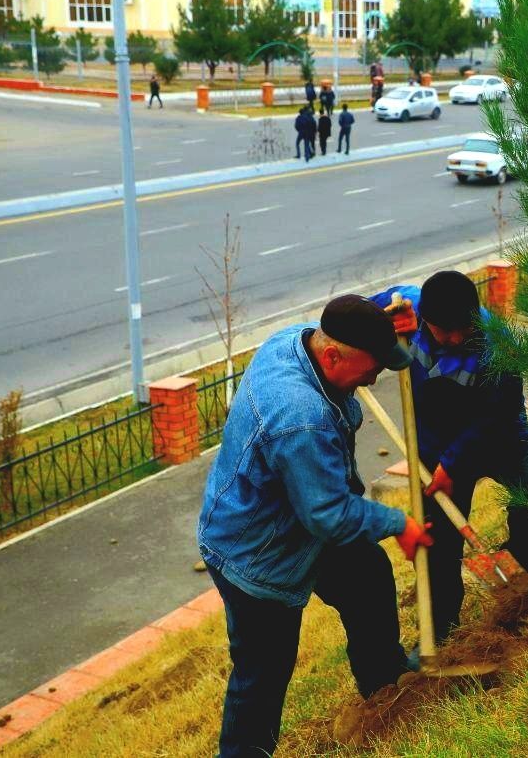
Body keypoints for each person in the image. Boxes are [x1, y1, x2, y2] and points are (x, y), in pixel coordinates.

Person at [198, 295, 434, 757]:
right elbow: (328, 514)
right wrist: (399, 522)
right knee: (263, 673)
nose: (375, 378)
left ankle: (385, 685)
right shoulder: (301, 417)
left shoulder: (300, 340)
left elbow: (347, 322)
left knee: (367, 575)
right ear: (333, 357)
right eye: (372, 368)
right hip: (258, 553)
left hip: (298, 524)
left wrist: (385, 323)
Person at [371, 272, 528, 647]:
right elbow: (351, 315)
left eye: (462, 329)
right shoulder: (408, 305)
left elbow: (498, 414)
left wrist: (454, 464)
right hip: (433, 440)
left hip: (499, 433)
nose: (455, 338)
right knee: (438, 540)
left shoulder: (497, 342)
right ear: (426, 319)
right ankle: (442, 629)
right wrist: (384, 321)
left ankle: (522, 566)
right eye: (445, 331)